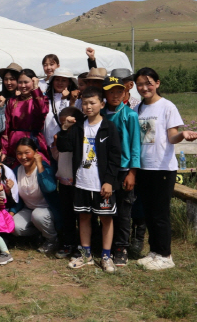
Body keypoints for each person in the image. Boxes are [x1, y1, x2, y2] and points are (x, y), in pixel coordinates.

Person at [134, 67, 197, 271]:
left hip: (162, 168)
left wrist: (183, 135)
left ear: (158, 83)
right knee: (149, 212)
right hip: (144, 168)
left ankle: (165, 255)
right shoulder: (138, 108)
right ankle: (154, 251)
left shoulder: (167, 107)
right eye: (140, 84)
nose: (144, 87)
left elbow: (172, 137)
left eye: (148, 83)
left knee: (160, 213)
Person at [57, 86, 122, 273]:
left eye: (92, 102)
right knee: (84, 217)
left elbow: (115, 156)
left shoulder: (109, 127)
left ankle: (106, 256)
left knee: (106, 219)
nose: (88, 106)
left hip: (102, 183)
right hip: (82, 181)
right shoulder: (78, 126)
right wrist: (64, 129)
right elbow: (64, 147)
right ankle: (86, 254)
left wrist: (109, 180)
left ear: (102, 104)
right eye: (84, 103)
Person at [102, 76, 141, 267]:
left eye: (119, 91)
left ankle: (121, 247)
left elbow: (135, 145)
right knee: (106, 210)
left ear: (125, 92)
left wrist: (132, 172)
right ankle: (103, 245)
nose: (116, 95)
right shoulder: (100, 114)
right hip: (104, 170)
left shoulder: (130, 115)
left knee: (124, 212)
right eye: (111, 92)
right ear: (105, 94)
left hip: (124, 169)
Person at [9, 137, 61, 254]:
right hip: (28, 209)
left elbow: (50, 188)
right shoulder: (17, 170)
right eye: (19, 153)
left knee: (38, 215)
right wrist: (11, 213)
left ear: (36, 152)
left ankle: (52, 239)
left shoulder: (44, 168)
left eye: (27, 152)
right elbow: (17, 198)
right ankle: (40, 234)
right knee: (14, 226)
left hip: (47, 209)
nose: (23, 157)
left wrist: (40, 165)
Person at [53, 106, 85, 260]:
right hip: (64, 181)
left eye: (66, 122)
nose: (63, 125)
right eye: (61, 123)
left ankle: (82, 244)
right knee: (67, 215)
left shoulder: (80, 133)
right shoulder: (61, 134)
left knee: (82, 216)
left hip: (79, 181)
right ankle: (68, 243)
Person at [1, 69, 50, 166]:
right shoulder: (12, 101)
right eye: (20, 82)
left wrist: (36, 88)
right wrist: (4, 149)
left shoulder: (42, 99)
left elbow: (42, 111)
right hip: (14, 141)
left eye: (26, 82)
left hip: (34, 140)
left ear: (33, 81)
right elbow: (6, 126)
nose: (23, 86)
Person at [43, 68, 79, 163]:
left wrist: (64, 99)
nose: (60, 83)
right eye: (57, 79)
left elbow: (62, 119)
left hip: (64, 145)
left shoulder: (74, 100)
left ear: (69, 83)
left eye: (64, 80)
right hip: (47, 145)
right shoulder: (46, 100)